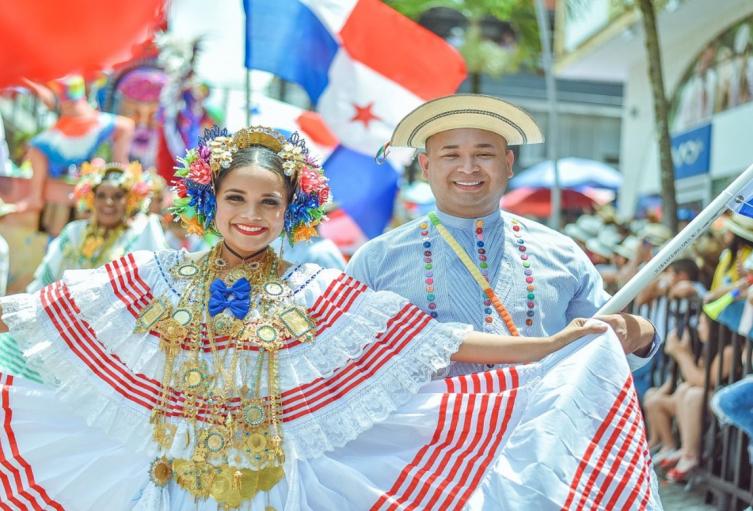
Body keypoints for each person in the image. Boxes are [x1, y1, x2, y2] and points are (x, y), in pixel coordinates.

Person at [0, 126, 661, 510]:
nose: (251, 214)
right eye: (235, 197)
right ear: (209, 202)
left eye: (269, 201)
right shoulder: (155, 275)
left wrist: (548, 344)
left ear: (293, 212)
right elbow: (44, 317)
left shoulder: (317, 288)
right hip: (166, 481)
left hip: (274, 487)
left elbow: (432, 339)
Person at [347, 94, 659, 378]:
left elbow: (608, 343)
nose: (468, 168)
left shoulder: (561, 252)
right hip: (420, 438)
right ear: (426, 166)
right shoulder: (377, 259)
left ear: (507, 164)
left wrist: (641, 333)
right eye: (451, 155)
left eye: (484, 154)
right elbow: (346, 361)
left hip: (535, 436)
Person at [0, 159, 167, 382]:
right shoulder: (74, 232)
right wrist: (32, 319)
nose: (109, 202)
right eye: (101, 195)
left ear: (129, 201)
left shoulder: (140, 235)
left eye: (118, 196)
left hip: (110, 343)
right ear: (91, 198)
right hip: (60, 330)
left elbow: (159, 285)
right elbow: (46, 279)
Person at [9, 75, 135, 236]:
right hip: (75, 123)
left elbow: (53, 99)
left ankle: (35, 197)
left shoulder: (63, 72)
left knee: (36, 147)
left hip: (80, 122)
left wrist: (28, 82)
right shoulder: (64, 72)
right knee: (36, 147)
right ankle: (35, 197)